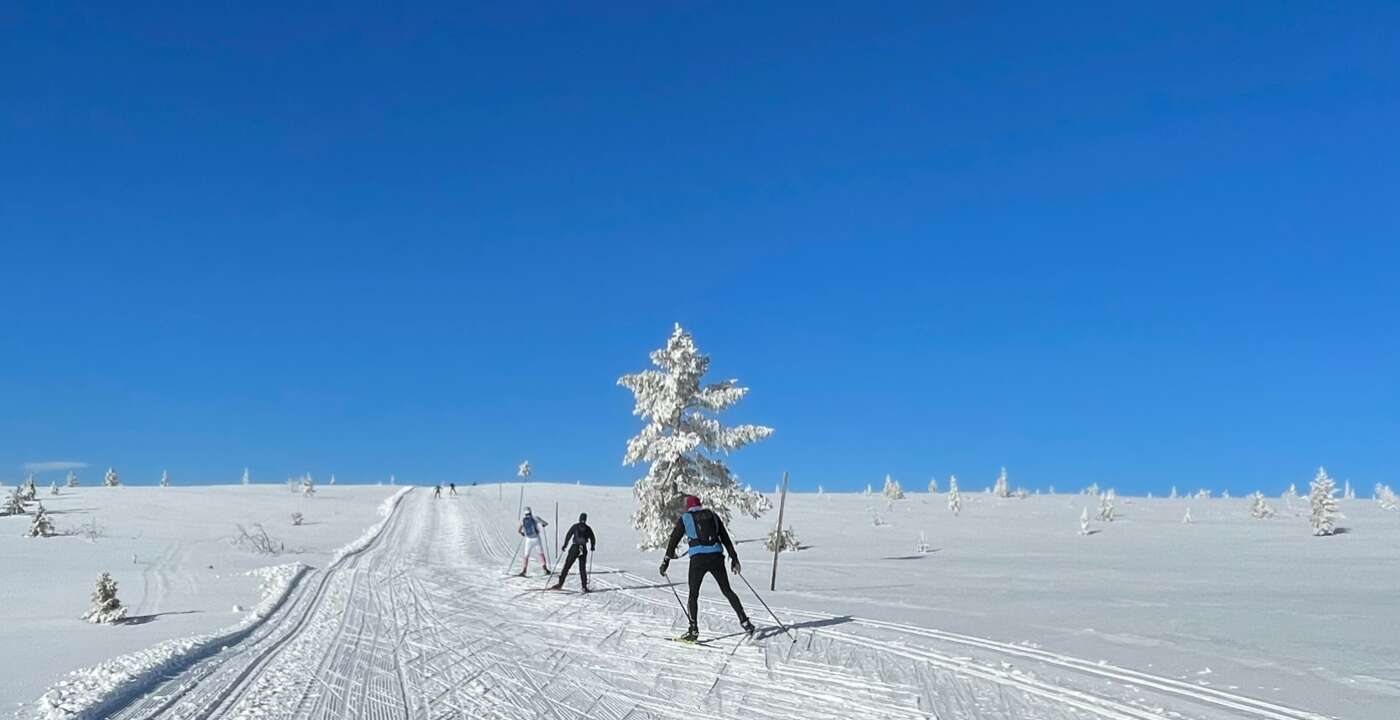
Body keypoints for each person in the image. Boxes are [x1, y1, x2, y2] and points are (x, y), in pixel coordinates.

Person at [660, 495, 753, 641]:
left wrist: (666, 561)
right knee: (727, 590)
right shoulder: (713, 515)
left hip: (698, 560)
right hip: (717, 557)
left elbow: (674, 540)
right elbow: (725, 538)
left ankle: (693, 629)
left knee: (693, 595)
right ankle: (745, 621)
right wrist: (734, 558)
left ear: (688, 506)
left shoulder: (686, 518)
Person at [551, 513, 596, 592]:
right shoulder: (588, 528)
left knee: (567, 566)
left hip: (574, 548)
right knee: (582, 568)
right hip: (583, 548)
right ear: (585, 519)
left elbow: (569, 535)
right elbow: (593, 538)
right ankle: (584, 587)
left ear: (579, 518)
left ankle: (560, 584)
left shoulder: (575, 526)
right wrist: (592, 546)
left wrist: (565, 545)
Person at [516, 507, 550, 576]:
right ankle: (545, 569)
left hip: (528, 540)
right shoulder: (535, 518)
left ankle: (524, 570)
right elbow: (545, 523)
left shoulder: (523, 520)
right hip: (536, 539)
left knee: (526, 555)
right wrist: (543, 525)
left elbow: (519, 530)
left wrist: (522, 533)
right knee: (541, 554)